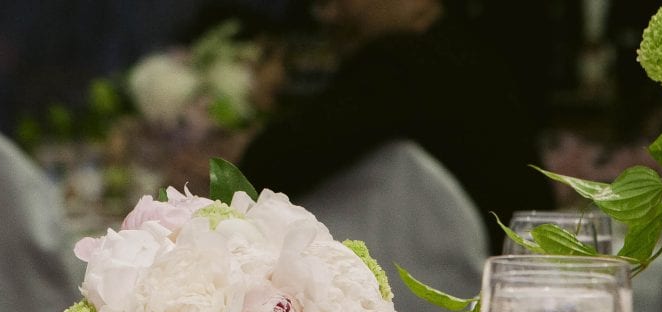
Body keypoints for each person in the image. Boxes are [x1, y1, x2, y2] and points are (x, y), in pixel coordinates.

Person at [237, 0, 555, 255]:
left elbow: (269, 165)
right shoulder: (470, 48)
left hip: (477, 291)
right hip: (518, 262)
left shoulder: (401, 63)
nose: (330, 12)